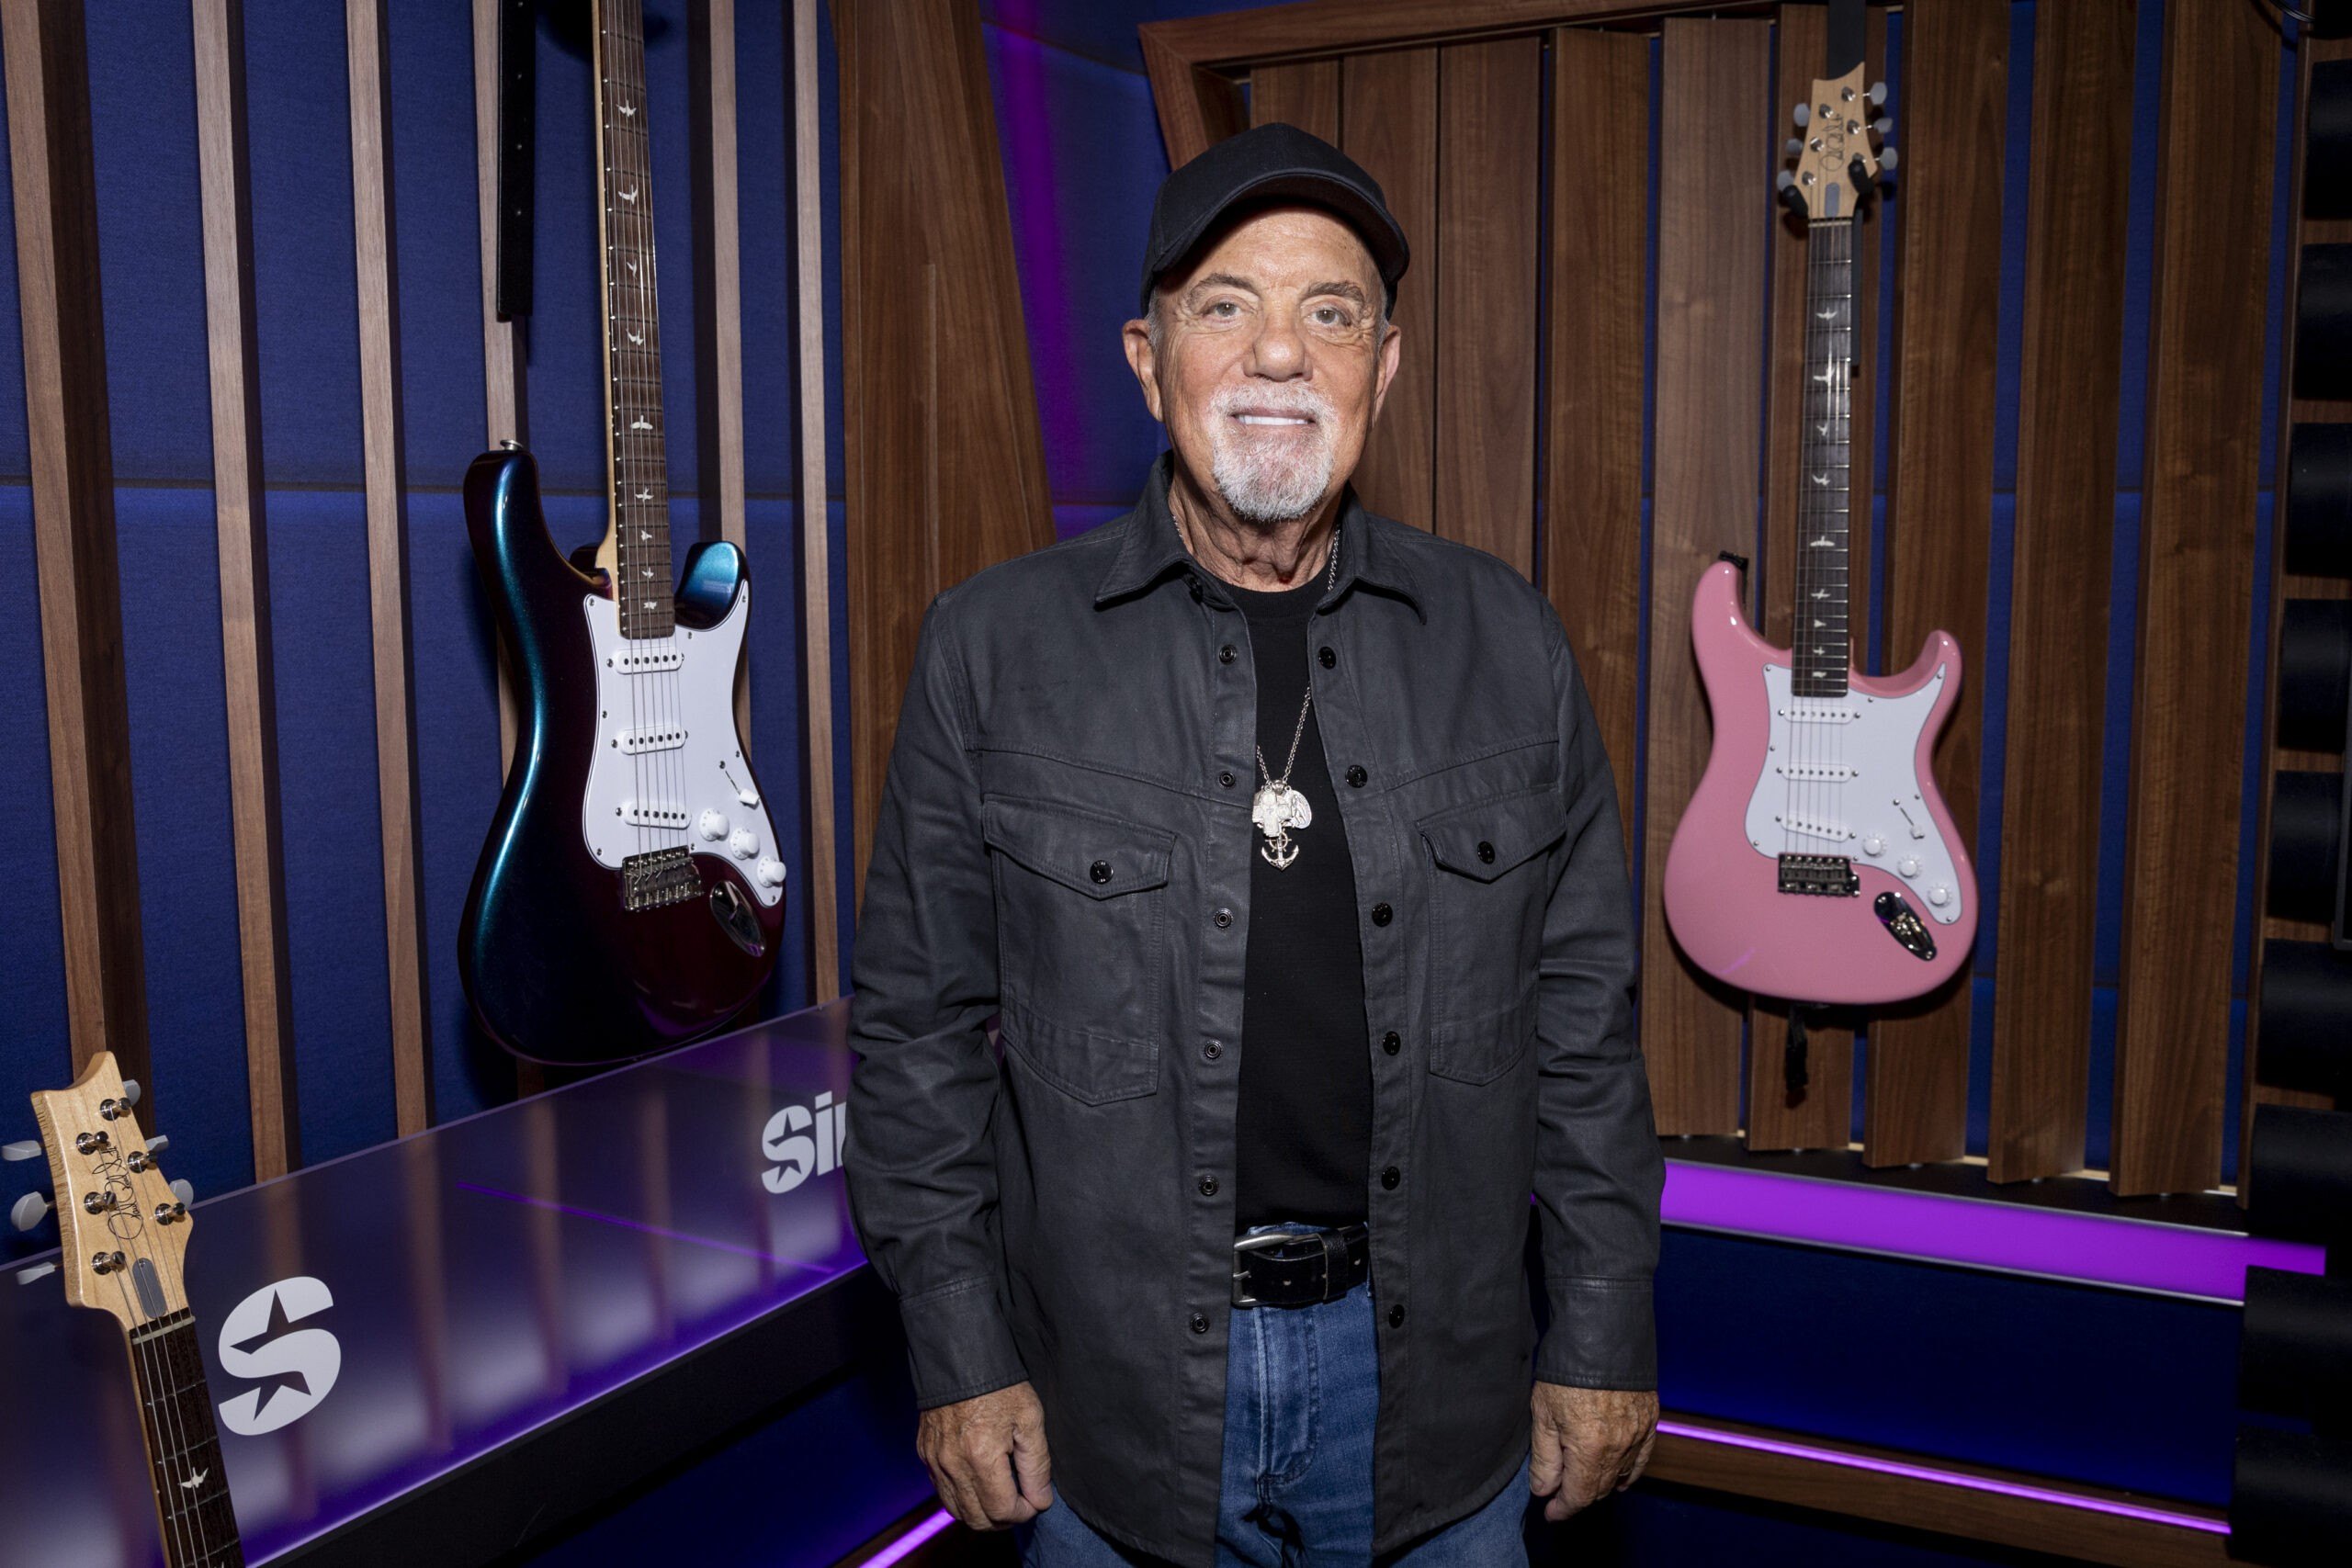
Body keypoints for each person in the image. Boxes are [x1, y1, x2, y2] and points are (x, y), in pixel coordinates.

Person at [844, 121, 1663, 1567]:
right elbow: (917, 1038)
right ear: (1146, 359)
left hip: (1438, 1390)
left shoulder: (1508, 641)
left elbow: (1586, 1029)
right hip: (1107, 1397)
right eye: (1225, 305)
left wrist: (1602, 1331)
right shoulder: (992, 649)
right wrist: (960, 1354)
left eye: (1330, 314)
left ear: (1382, 370)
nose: (1279, 353)